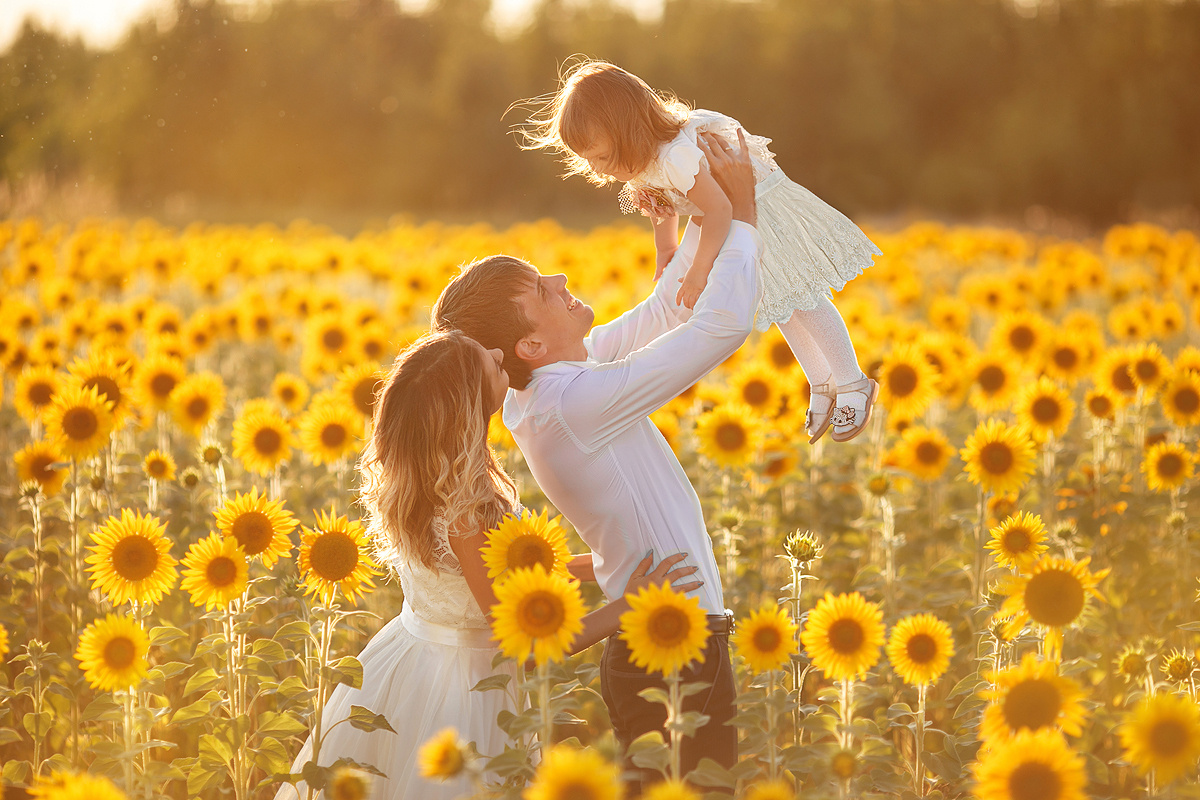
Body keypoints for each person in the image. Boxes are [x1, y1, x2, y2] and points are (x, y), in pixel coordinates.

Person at [432, 130, 759, 794]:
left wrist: (678, 229)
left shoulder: (547, 390)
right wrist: (743, 214)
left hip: (669, 633)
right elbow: (719, 327)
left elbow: (667, 311)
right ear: (530, 343)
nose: (558, 280)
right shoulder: (571, 402)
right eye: (541, 292)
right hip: (669, 640)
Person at [275, 330, 700, 800]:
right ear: (469, 407)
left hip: (404, 661)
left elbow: (498, 576)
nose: (500, 350)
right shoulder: (467, 508)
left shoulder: (421, 479)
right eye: (489, 363)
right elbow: (524, 643)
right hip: (464, 686)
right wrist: (629, 604)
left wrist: (604, 567)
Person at [521, 59, 882, 443]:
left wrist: (697, 273)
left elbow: (720, 210)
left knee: (801, 296)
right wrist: (667, 250)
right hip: (735, 215)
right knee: (781, 305)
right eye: (588, 160)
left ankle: (852, 381)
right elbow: (657, 204)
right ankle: (821, 382)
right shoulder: (639, 160)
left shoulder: (675, 156)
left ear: (626, 131)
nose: (597, 168)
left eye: (602, 157)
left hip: (759, 205)